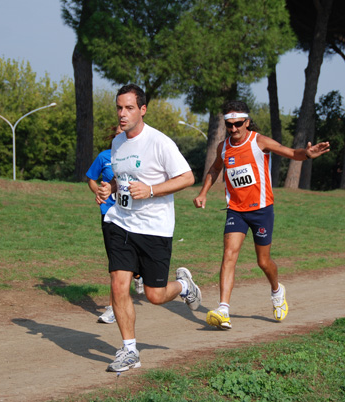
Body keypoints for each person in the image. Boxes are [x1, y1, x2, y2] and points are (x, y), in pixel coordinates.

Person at [193, 100, 330, 330]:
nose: (234, 128)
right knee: (229, 254)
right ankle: (223, 309)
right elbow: (216, 168)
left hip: (261, 210)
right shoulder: (223, 147)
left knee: (263, 261)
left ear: (246, 122)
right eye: (229, 124)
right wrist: (203, 193)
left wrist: (306, 154)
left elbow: (291, 153)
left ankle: (277, 290)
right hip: (236, 209)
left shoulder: (259, 141)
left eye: (238, 123)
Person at [96, 84, 201, 372]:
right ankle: (129, 350)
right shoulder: (117, 144)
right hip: (121, 222)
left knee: (154, 295)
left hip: (154, 228)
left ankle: (183, 286)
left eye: (129, 108)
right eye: (119, 107)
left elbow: (188, 177)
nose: (122, 113)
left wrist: (152, 189)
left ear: (142, 110)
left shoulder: (160, 142)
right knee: (119, 283)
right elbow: (125, 178)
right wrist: (111, 188)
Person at [86, 125, 144, 325]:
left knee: (134, 253)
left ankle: (138, 272)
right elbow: (91, 179)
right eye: (120, 133)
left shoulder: (139, 156)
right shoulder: (104, 156)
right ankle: (112, 308)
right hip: (110, 213)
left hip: (134, 213)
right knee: (115, 261)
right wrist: (98, 193)